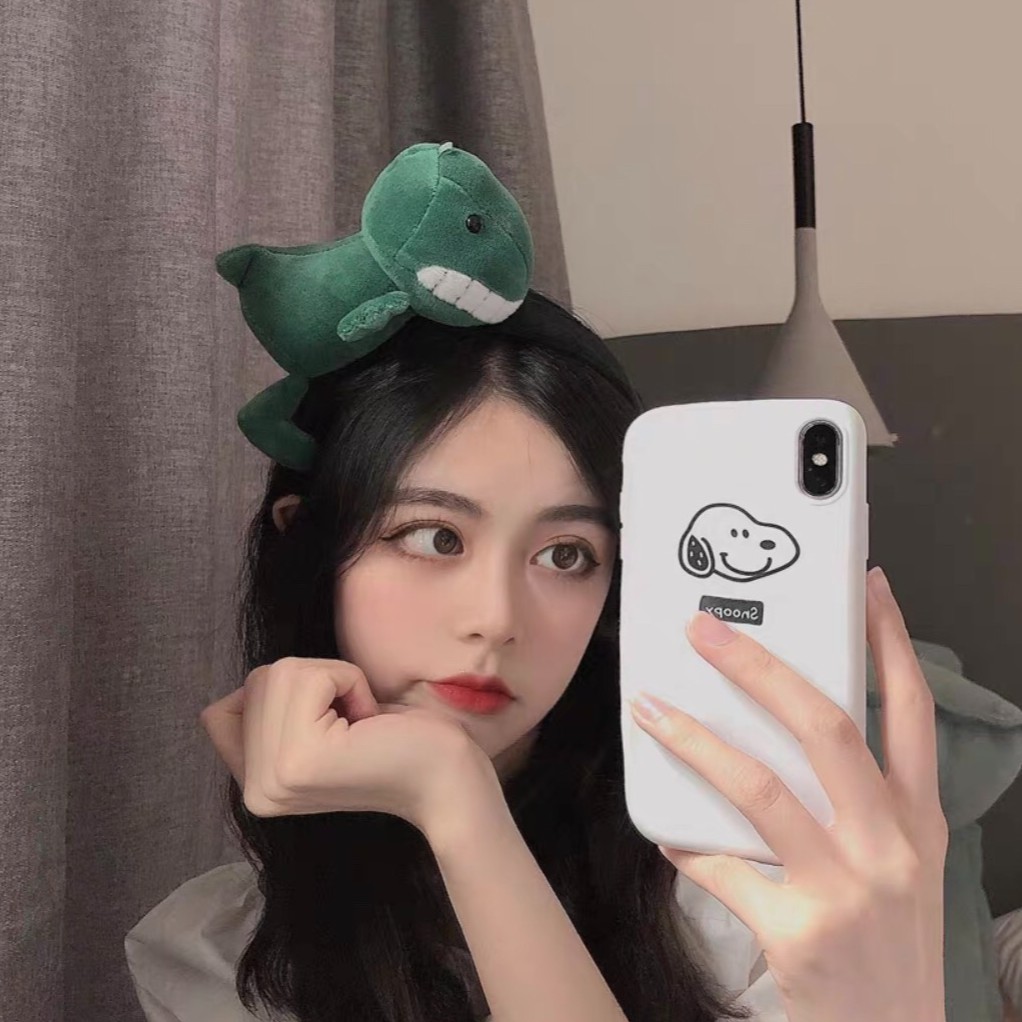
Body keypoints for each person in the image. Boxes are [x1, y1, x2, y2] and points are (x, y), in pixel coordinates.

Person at [125, 144, 948, 1022]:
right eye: (434, 537)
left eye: (565, 556)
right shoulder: (219, 958)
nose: (495, 619)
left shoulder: (750, 910)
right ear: (310, 550)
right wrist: (453, 798)